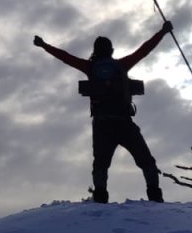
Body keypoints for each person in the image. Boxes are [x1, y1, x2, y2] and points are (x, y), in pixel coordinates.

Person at [33, 20, 173, 203]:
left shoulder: (90, 68)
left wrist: (44, 45)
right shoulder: (121, 65)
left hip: (101, 124)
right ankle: (155, 196)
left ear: (95, 51)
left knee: (101, 164)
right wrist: (162, 32)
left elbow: (65, 57)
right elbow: (144, 50)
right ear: (112, 50)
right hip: (124, 123)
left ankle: (100, 198)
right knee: (146, 161)